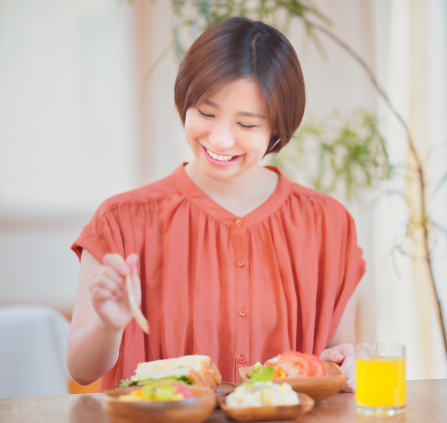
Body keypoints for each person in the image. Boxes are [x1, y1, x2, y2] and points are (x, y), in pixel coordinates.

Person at [66, 17, 365, 392]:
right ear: (185, 101)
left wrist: (348, 362)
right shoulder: (120, 221)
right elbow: (80, 370)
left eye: (248, 124)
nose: (221, 140)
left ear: (277, 127)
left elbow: (338, 353)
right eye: (206, 114)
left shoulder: (328, 223)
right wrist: (108, 327)